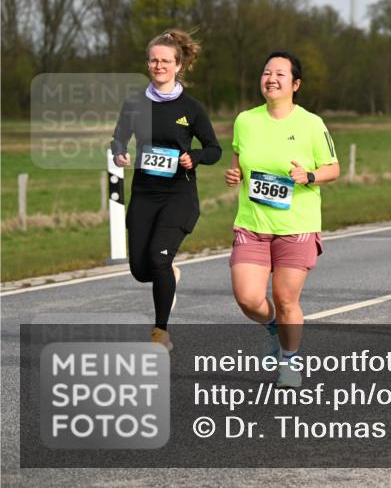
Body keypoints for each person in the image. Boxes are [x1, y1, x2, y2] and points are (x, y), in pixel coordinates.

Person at [225, 52, 340, 387]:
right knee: (247, 297)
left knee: (286, 299)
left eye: (279, 74)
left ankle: (289, 361)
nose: (271, 79)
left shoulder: (311, 123)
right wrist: (234, 175)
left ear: (296, 84)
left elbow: (333, 168)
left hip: (296, 226)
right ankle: (273, 327)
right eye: (266, 73)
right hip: (252, 222)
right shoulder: (245, 120)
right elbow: (239, 160)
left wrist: (308, 176)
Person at [111, 29, 221, 351]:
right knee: (141, 270)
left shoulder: (191, 108)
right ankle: (170, 273)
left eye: (166, 61)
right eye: (154, 60)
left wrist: (194, 157)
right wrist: (119, 152)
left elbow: (214, 149)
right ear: (148, 64)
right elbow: (118, 137)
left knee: (158, 260)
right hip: (144, 192)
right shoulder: (134, 104)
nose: (159, 65)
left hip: (178, 195)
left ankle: (160, 334)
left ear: (178, 65)